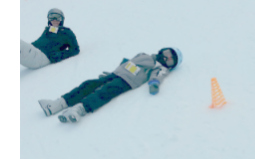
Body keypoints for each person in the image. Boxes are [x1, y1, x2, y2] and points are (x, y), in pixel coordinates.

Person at [37, 47, 182, 123]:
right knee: (89, 84)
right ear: (163, 49)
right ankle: (58, 104)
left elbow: (158, 75)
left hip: (127, 82)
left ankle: (79, 109)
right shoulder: (144, 54)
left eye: (170, 60)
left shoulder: (158, 66)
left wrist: (155, 83)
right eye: (168, 53)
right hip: (115, 74)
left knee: (104, 92)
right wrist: (111, 73)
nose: (167, 57)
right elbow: (128, 63)